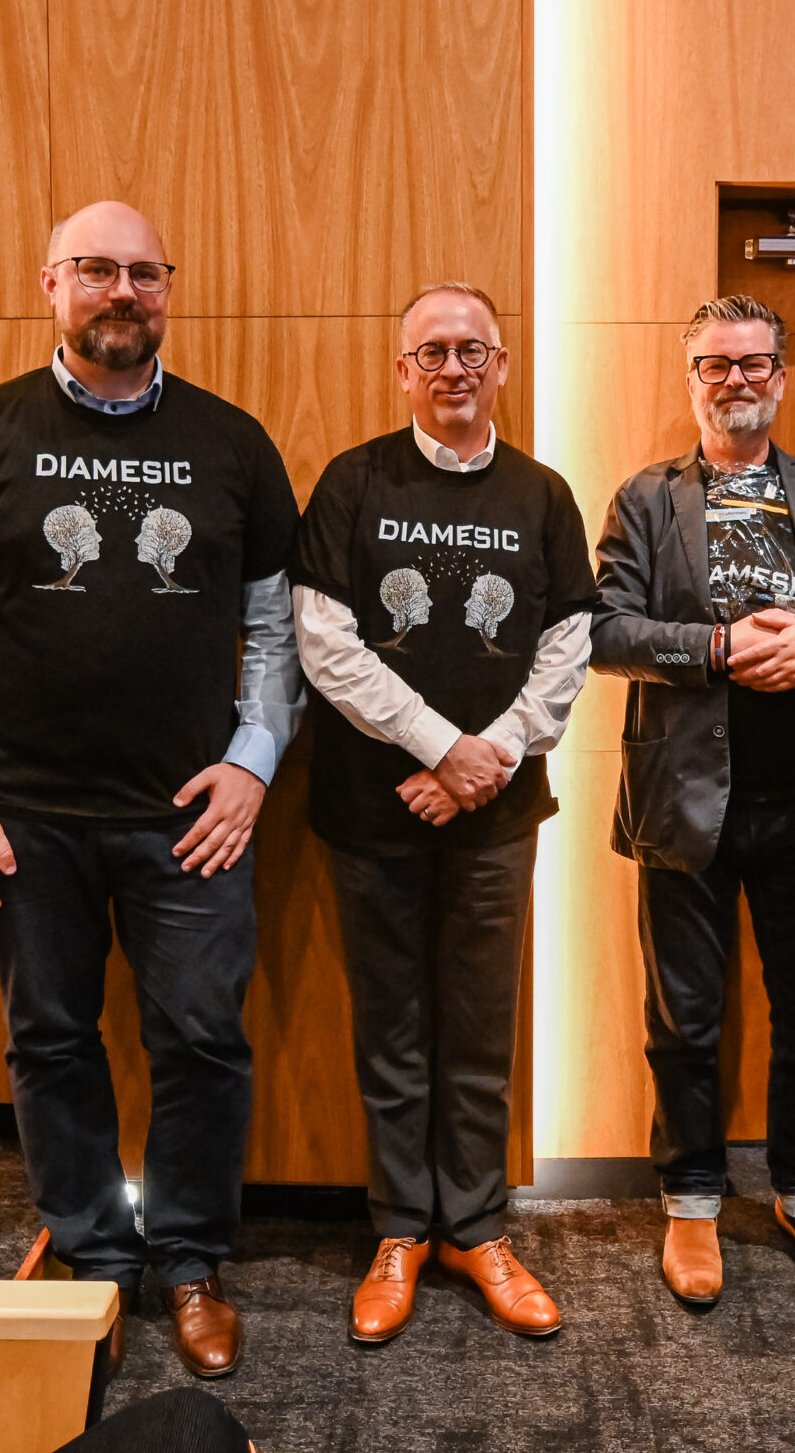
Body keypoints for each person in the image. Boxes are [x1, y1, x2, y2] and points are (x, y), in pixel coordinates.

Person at [0, 201, 302, 1380]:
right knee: (50, 1036)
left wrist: (252, 761)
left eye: (143, 272)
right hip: (22, 816)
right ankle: (96, 1255)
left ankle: (189, 1259)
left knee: (203, 1038)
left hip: (190, 821)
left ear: (167, 287)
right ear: (50, 284)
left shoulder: (232, 442)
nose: (122, 291)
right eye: (96, 270)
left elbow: (277, 628)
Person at [290, 282, 596, 1343]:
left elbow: (568, 644)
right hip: (370, 812)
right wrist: (440, 748)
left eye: (472, 350)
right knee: (390, 1030)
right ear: (402, 369)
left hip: (496, 816)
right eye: (432, 351)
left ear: (501, 365)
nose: (453, 367)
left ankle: (476, 1228)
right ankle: (400, 1231)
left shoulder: (543, 494)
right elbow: (323, 640)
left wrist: (485, 760)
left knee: (478, 1030)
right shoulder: (353, 481)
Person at [589, 294, 795, 1307]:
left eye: (753, 363)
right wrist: (717, 648)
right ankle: (690, 1199)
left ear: (781, 376)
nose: (735, 380)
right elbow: (605, 630)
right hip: (685, 802)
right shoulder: (646, 498)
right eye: (715, 365)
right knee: (684, 1020)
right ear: (691, 380)